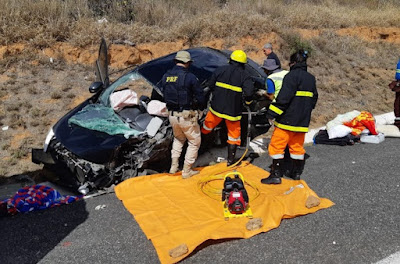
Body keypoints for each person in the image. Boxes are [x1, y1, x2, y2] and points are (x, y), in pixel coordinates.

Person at [261, 50, 318, 184]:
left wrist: (270, 114)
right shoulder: (311, 78)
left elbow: (283, 99)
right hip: (302, 122)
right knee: (297, 148)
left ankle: (275, 175)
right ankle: (296, 174)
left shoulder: (291, 77)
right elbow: (314, 99)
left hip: (286, 122)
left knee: (276, 147)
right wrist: (305, 112)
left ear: (293, 63)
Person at [201, 50, 255, 166]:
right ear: (243, 64)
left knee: (206, 128)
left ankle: (201, 150)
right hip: (233, 112)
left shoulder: (220, 70)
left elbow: (209, 86)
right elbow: (249, 93)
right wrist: (248, 102)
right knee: (234, 136)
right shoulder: (245, 76)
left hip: (216, 109)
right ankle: (230, 161)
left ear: (230, 60)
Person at [161, 50, 206, 179]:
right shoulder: (190, 77)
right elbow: (200, 96)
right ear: (187, 63)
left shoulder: (166, 76)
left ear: (176, 61)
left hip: (172, 116)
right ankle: (187, 170)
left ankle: (173, 166)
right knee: (194, 141)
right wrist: (201, 109)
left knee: (179, 139)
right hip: (187, 116)